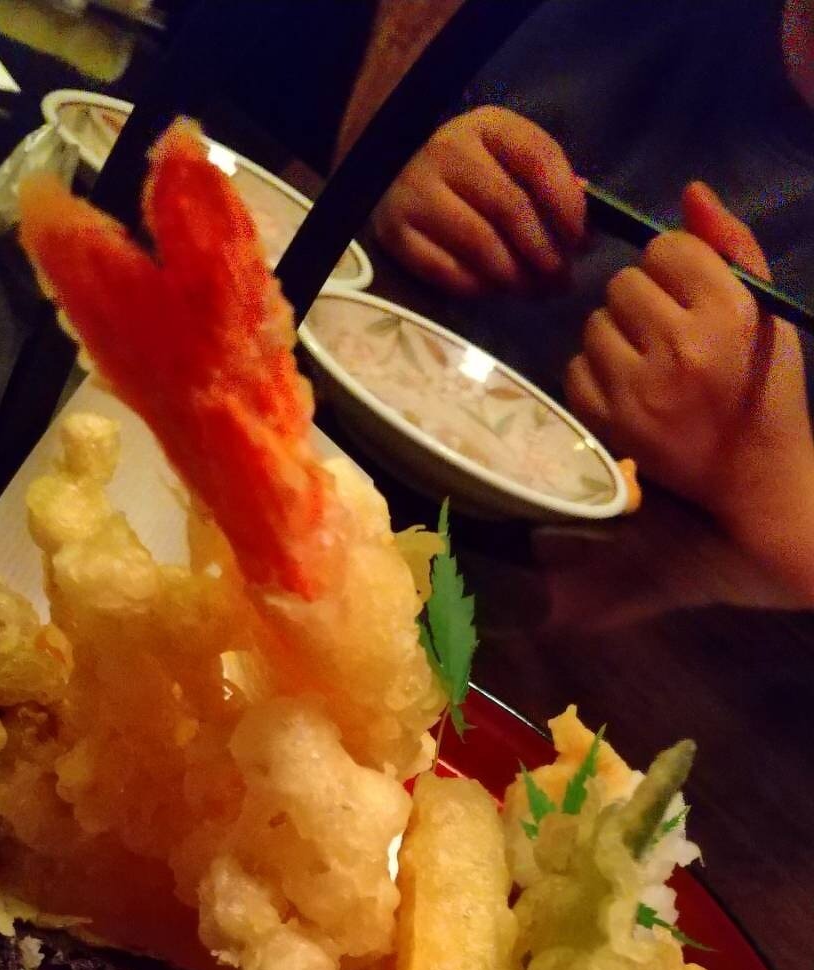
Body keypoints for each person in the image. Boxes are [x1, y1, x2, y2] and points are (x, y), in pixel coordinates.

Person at [345, 0, 814, 600]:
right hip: (352, 450)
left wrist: (765, 486)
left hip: (580, 620)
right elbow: (375, 148)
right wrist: (395, 162)